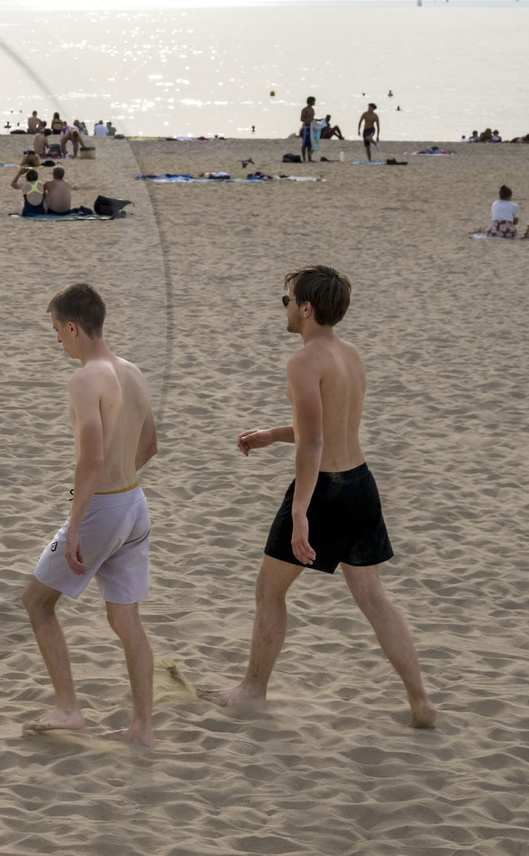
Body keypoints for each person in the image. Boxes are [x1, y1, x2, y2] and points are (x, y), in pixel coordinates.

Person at [202, 265, 437, 729]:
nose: (284, 308)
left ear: (305, 308)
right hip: (361, 484)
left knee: (269, 591)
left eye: (286, 300)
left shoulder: (303, 362)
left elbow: (314, 444)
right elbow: (334, 427)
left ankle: (252, 689)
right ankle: (421, 701)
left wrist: (300, 510)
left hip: (326, 491)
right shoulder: (350, 355)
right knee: (374, 600)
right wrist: (272, 434)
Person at [21, 283, 160, 746]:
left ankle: (68, 708)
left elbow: (91, 458)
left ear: (74, 327)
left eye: (57, 331)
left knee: (37, 602)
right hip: (135, 505)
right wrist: (118, 489)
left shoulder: (85, 380)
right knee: (127, 623)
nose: (57, 339)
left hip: (103, 510)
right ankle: (142, 727)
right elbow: (150, 445)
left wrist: (77, 523)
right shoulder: (133, 372)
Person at [300, 97, 317, 163]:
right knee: (304, 144)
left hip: (311, 127)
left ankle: (310, 158)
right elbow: (301, 119)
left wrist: (318, 120)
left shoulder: (312, 109)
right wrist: (308, 121)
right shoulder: (304, 110)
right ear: (311, 101)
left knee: (310, 144)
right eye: (313, 101)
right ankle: (304, 158)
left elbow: (312, 118)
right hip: (306, 127)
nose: (314, 102)